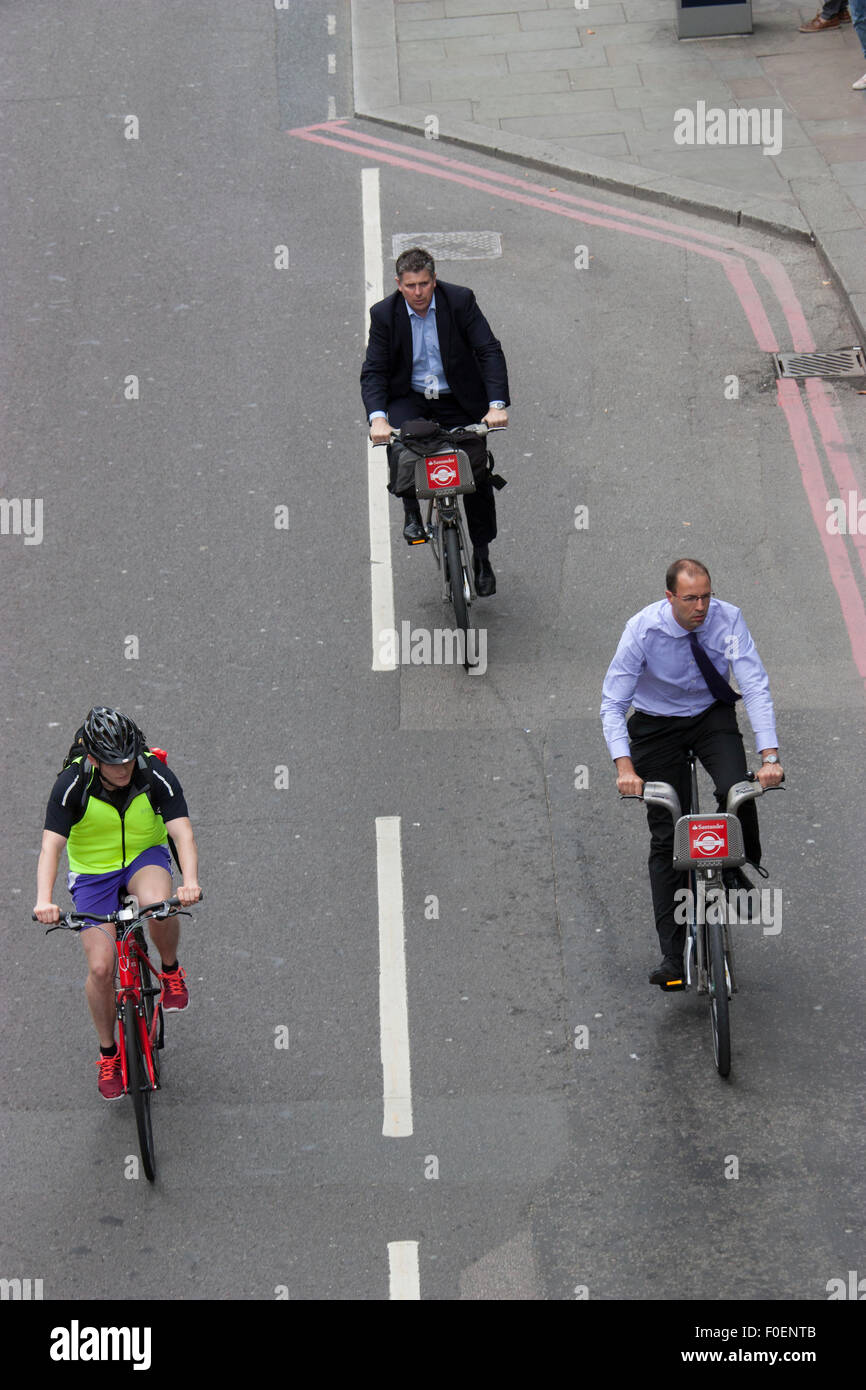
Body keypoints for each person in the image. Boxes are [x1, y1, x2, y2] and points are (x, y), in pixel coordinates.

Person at [600, 560, 784, 987]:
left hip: (708, 715)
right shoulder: (642, 630)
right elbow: (613, 704)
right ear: (670, 598)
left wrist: (770, 756)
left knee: (737, 788)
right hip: (656, 725)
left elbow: (754, 683)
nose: (702, 606)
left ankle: (736, 864)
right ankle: (672, 956)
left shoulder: (728, 618)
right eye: (690, 599)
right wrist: (624, 768)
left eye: (706, 596)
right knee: (668, 837)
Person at [33, 707, 201, 1098]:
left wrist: (190, 882)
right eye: (113, 762)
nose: (123, 768)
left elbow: (183, 834)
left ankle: (171, 970)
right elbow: (50, 848)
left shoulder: (154, 773)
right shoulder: (70, 785)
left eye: (127, 758)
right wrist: (44, 900)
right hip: (93, 872)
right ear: (93, 758)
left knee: (159, 904)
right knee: (100, 967)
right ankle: (109, 1053)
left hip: (144, 857)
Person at [361, 246, 509, 596]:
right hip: (409, 398)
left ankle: (482, 557)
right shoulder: (384, 314)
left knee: (475, 472)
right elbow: (375, 371)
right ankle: (412, 513)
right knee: (399, 444)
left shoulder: (460, 301)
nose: (418, 293)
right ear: (399, 284)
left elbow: (488, 350)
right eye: (410, 285)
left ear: (434, 280)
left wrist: (497, 405)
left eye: (424, 284)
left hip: (457, 398)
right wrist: (378, 418)